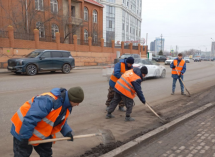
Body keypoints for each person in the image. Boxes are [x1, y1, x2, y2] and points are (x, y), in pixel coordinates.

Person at [11, 87, 84, 157]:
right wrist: (24, 137)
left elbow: (60, 120)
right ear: (72, 100)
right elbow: (31, 119)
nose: (78, 105)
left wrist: (67, 132)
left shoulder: (67, 106)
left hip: (41, 132)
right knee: (22, 154)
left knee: (46, 154)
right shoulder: (48, 101)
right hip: (23, 129)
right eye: (77, 102)